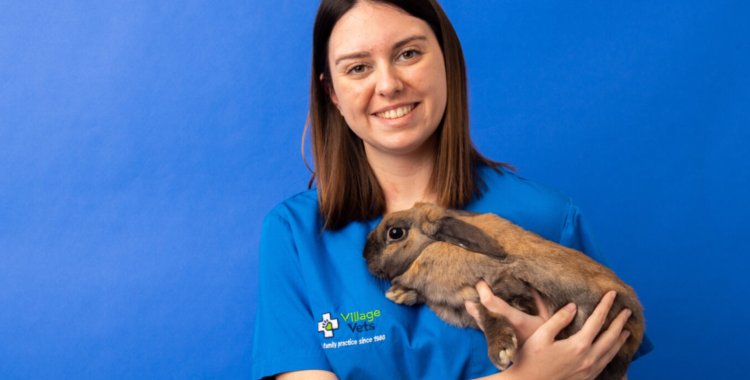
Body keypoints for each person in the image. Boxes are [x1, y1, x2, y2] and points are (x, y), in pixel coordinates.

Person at [252, 0, 653, 379]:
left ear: (448, 61)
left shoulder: (549, 216)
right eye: (358, 68)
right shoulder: (294, 236)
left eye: (408, 53)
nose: (389, 84)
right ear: (333, 93)